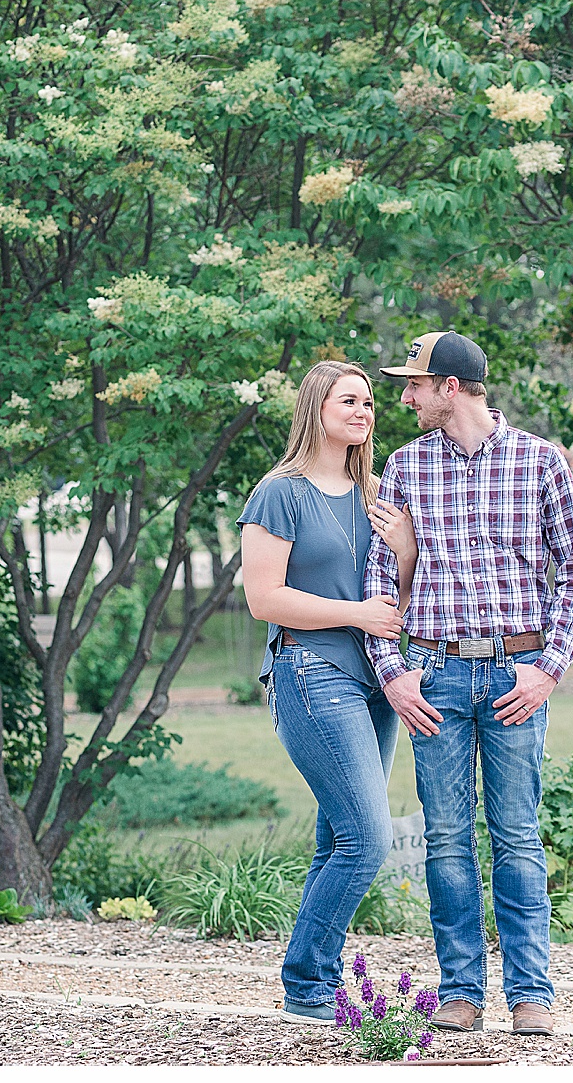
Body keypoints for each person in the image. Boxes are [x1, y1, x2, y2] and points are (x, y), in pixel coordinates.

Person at [364, 331, 573, 1036]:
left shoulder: (538, 463)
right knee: (445, 838)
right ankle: (461, 991)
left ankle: (532, 994)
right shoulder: (405, 470)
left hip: (515, 678)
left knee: (518, 836)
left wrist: (548, 668)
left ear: (451, 387)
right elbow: (381, 578)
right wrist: (395, 674)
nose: (403, 397)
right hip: (433, 676)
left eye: (415, 384)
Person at [237, 360, 419, 1023]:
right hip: (311, 671)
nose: (364, 411)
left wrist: (403, 553)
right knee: (367, 839)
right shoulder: (279, 493)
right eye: (349, 399)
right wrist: (356, 614)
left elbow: (399, 601)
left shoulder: (375, 491)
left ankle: (314, 985)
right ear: (317, 406)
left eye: (369, 402)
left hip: (377, 680)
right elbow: (265, 599)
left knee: (337, 840)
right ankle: (307, 982)